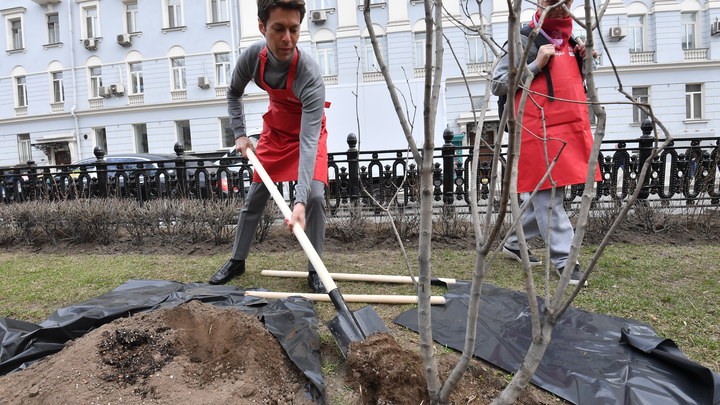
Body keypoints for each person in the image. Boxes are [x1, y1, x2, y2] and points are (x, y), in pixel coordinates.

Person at [209, 0, 329, 293]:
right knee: (255, 197)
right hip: (275, 131)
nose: (287, 39)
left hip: (307, 133)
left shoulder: (309, 74)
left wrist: (298, 201)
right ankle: (237, 261)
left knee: (313, 196)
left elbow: (308, 140)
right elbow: (233, 92)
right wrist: (239, 134)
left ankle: (315, 268)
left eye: (294, 29)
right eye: (278, 29)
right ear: (262, 28)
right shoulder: (252, 57)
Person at [491, 0, 600, 286]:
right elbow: (498, 84)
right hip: (534, 129)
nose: (561, 7)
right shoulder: (524, 38)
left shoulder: (571, 41)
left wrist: (588, 61)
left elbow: (578, 82)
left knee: (544, 195)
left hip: (568, 127)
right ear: (540, 3)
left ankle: (513, 242)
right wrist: (535, 65)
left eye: (566, 1)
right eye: (553, 1)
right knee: (548, 198)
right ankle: (565, 259)